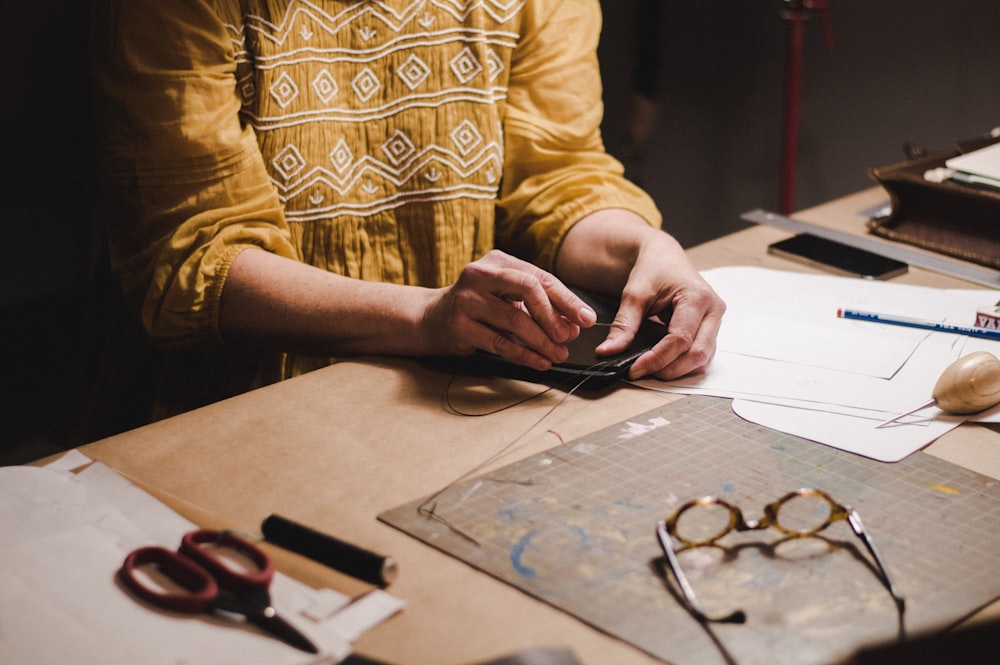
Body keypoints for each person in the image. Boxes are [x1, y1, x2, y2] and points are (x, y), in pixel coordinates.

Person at [88, 0, 724, 427]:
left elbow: (554, 178)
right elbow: (195, 263)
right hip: (242, 404)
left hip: (461, 387)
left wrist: (647, 249)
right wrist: (424, 315)